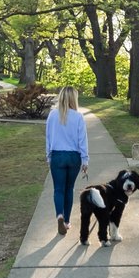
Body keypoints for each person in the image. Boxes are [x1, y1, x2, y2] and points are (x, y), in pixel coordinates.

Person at [45, 85, 89, 235]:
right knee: (69, 188)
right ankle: (67, 221)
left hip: (57, 155)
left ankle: (59, 215)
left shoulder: (52, 115)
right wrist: (85, 160)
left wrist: (48, 156)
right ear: (73, 99)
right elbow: (82, 140)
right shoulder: (78, 117)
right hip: (73, 157)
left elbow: (48, 138)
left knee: (58, 189)